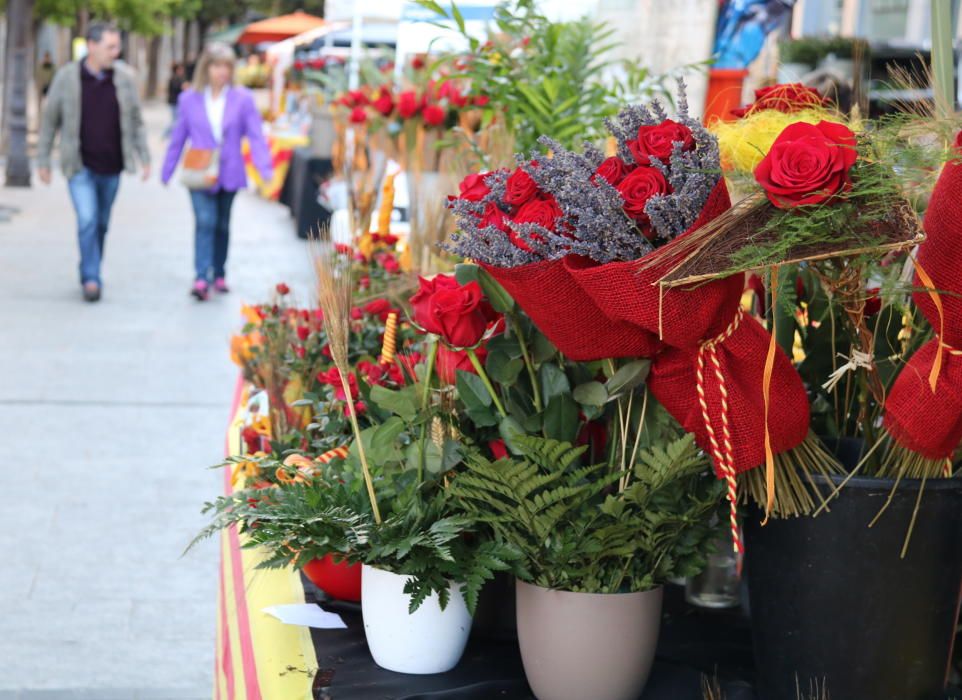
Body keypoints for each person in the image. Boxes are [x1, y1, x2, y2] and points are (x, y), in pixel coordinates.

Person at [37, 22, 151, 303]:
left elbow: (135, 120)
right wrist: (42, 159)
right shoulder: (67, 77)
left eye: (117, 46)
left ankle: (89, 265)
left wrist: (144, 157)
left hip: (112, 166)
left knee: (100, 223)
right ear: (91, 45)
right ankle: (91, 277)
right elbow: (50, 120)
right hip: (80, 165)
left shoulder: (124, 77)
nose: (116, 52)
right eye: (110, 46)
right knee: (87, 219)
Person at [161, 42, 273, 301]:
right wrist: (167, 169)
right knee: (205, 222)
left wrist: (264, 168)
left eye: (226, 66)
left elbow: (255, 135)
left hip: (229, 171)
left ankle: (219, 272)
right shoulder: (189, 99)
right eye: (216, 65)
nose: (222, 71)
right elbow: (178, 136)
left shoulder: (242, 99)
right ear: (206, 68)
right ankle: (201, 276)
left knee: (222, 224)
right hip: (199, 171)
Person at [166, 61, 187, 135]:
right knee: (175, 120)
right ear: (177, 70)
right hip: (174, 102)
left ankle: (168, 134)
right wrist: (182, 87)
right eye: (181, 69)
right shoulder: (174, 78)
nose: (182, 71)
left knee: (175, 120)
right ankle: (166, 134)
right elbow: (176, 88)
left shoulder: (180, 78)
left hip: (177, 102)